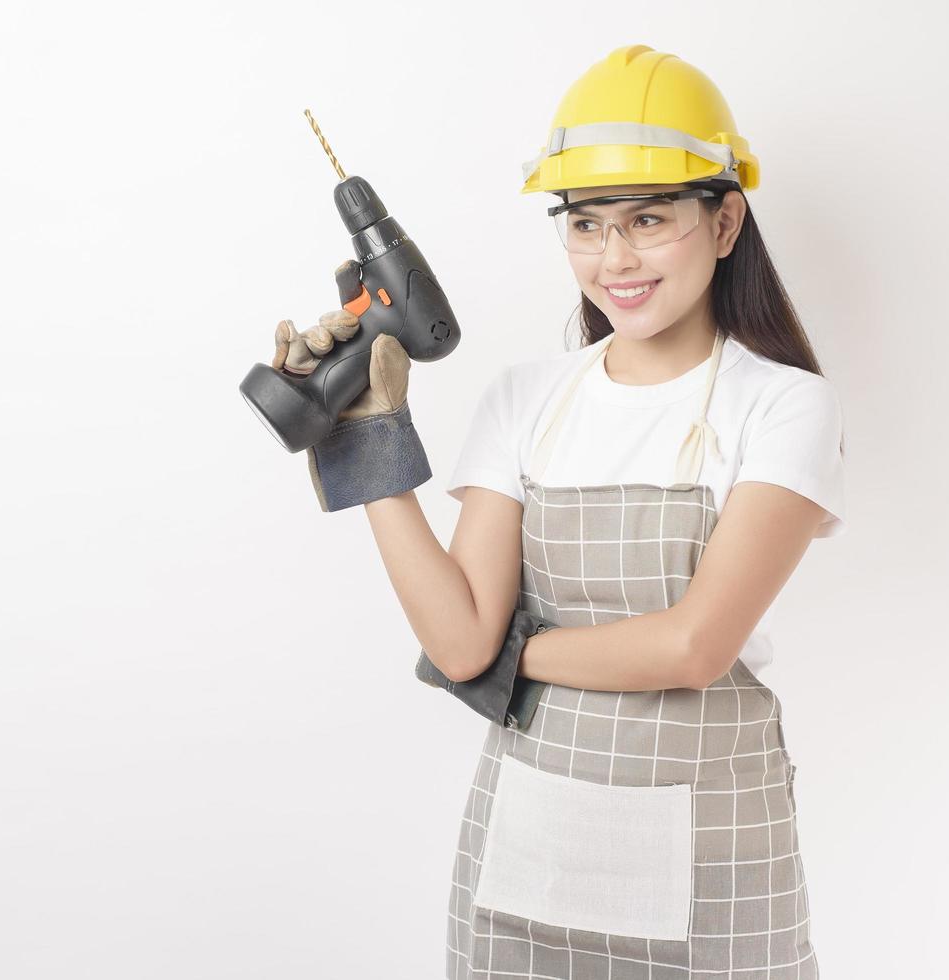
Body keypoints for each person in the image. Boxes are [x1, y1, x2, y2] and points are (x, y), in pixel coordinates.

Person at [271, 44, 843, 980]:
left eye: (649, 219)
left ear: (726, 219)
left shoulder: (782, 406)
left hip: (715, 865)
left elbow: (693, 649)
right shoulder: (525, 398)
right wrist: (369, 434)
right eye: (585, 224)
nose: (613, 258)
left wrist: (513, 653)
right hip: (526, 865)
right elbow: (458, 646)